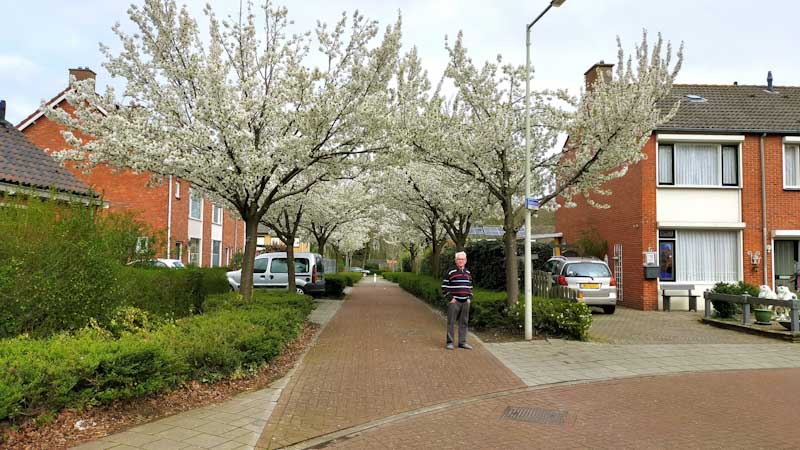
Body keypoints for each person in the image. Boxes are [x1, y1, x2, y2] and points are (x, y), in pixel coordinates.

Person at [442, 251, 473, 350]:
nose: (461, 261)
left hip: (465, 302)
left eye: (463, 259)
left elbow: (470, 286)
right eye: (459, 259)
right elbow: (444, 287)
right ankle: (450, 342)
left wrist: (469, 298)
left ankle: (462, 342)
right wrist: (451, 298)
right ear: (456, 261)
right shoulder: (451, 272)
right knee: (451, 322)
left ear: (466, 260)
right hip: (454, 302)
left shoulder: (468, 272)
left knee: (464, 322)